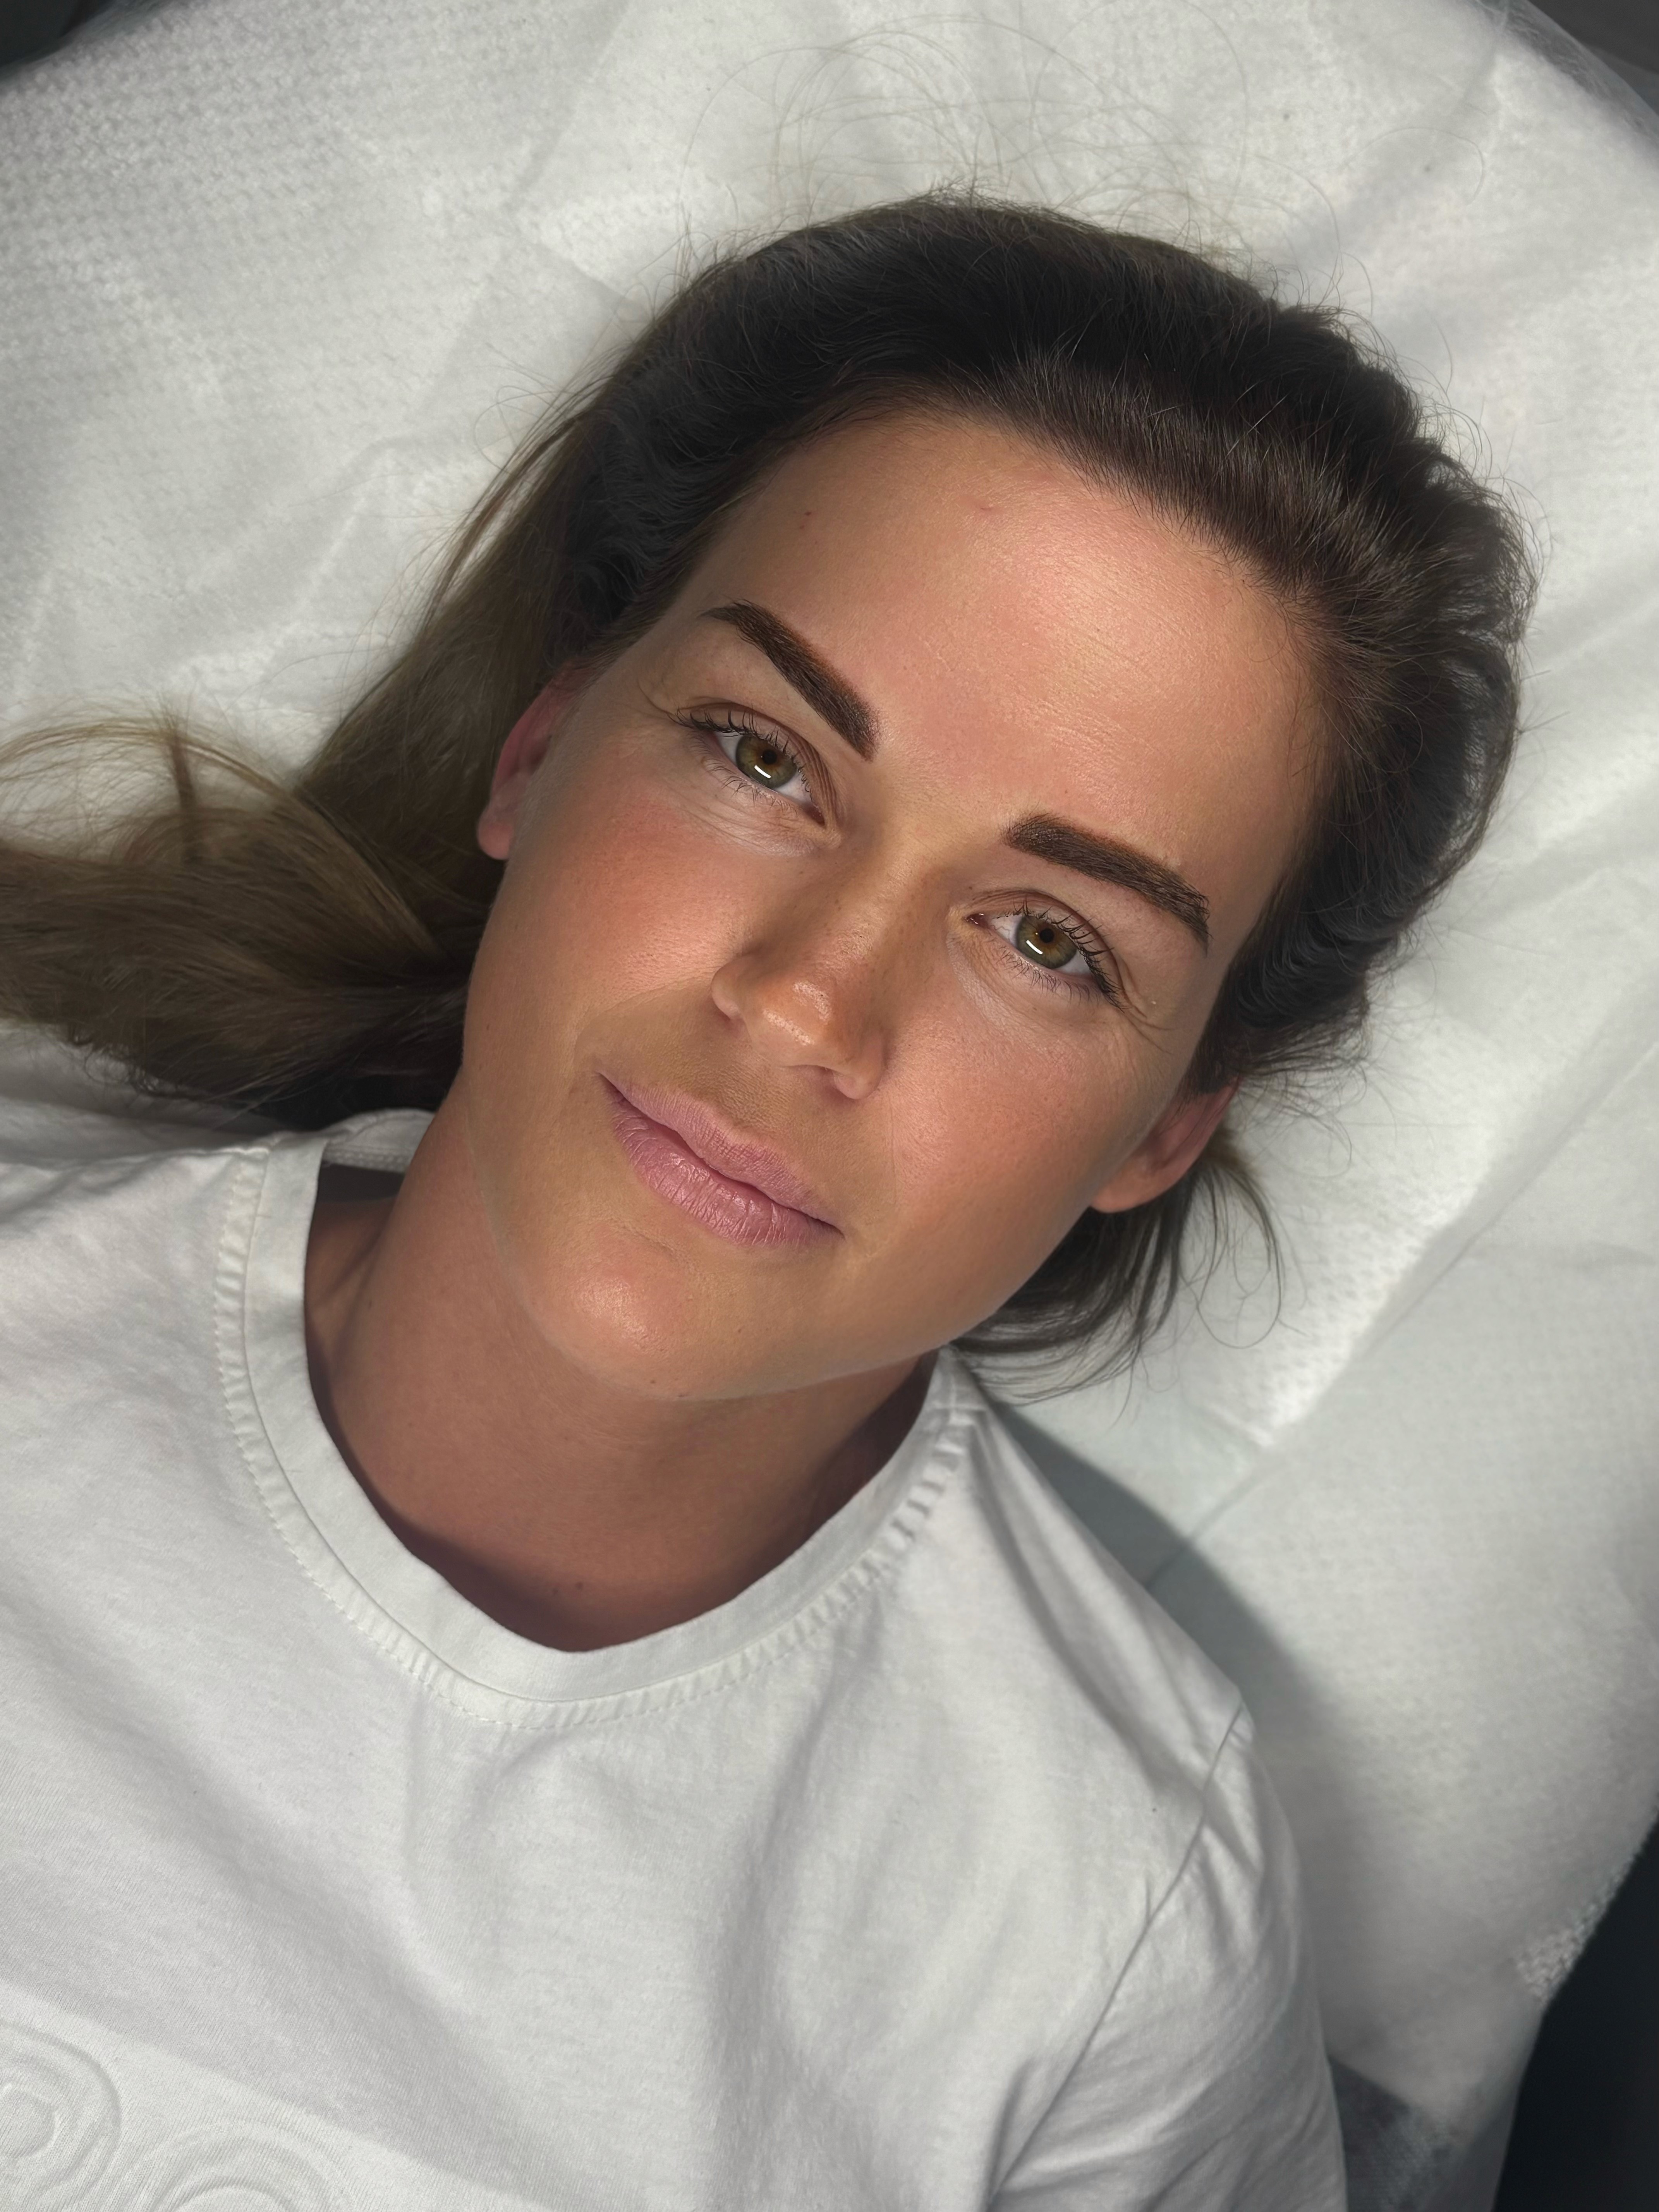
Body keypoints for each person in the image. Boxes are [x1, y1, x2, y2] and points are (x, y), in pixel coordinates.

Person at [0, 190, 1530, 2206]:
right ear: (544, 750)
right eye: (766, 756)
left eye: (1050, 940)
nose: (810, 1000)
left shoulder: (1111, 1937)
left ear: (1167, 1125)